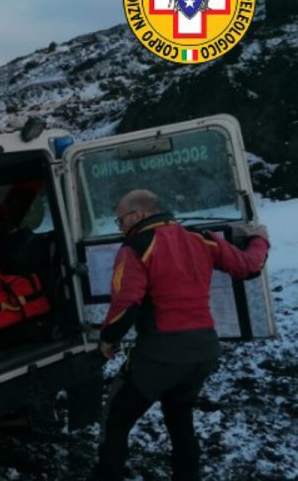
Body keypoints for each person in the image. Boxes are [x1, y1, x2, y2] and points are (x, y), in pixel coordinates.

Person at [94, 190, 270, 481]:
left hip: (160, 354)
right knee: (180, 418)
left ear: (138, 215)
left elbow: (127, 304)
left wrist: (108, 339)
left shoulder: (135, 247)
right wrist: (259, 239)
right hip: (203, 351)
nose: (120, 226)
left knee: (116, 419)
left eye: (120, 220)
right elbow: (248, 267)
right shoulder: (201, 239)